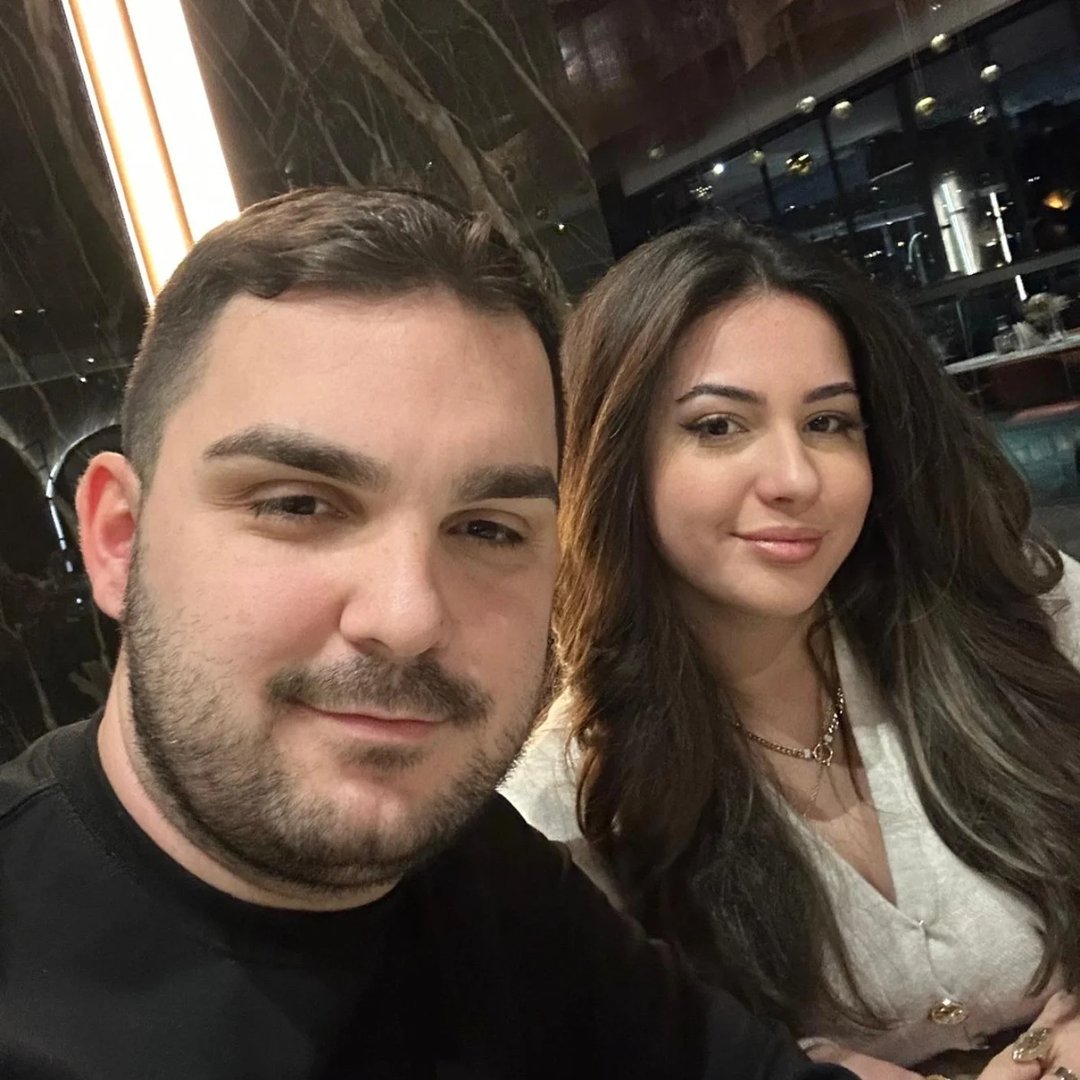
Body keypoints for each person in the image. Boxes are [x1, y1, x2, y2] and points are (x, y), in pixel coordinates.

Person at [0, 187, 853, 1080]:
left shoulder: (485, 874)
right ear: (119, 539)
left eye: (487, 529)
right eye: (297, 505)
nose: (408, 618)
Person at [501, 218, 1080, 1080]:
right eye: (718, 426)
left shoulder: (1021, 611)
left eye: (828, 422)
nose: (796, 478)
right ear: (614, 456)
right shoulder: (571, 801)